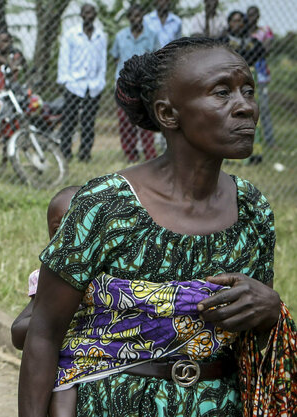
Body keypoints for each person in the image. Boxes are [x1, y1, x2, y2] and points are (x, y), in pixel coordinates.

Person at [18, 37, 294, 416]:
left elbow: (249, 331)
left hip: (218, 405)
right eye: (221, 92)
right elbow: (43, 332)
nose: (245, 106)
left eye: (247, 90)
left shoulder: (252, 209)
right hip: (113, 404)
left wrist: (271, 309)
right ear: (168, 114)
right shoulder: (106, 204)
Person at [10, 185, 80, 417]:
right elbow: (18, 333)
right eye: (58, 230)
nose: (67, 239)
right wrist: (53, 319)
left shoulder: (112, 280)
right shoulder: (48, 279)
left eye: (77, 228)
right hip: (64, 368)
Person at [111, 3, 160, 162]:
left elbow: (157, 58)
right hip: (125, 85)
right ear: (128, 18)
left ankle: (149, 153)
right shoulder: (120, 36)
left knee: (146, 120)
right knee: (126, 121)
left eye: (138, 16)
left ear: (142, 17)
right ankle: (130, 154)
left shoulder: (151, 35)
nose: (135, 19)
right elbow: (115, 57)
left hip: (144, 85)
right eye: (132, 16)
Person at [57, 4, 106, 162]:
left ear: (95, 15)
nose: (88, 15)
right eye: (85, 12)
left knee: (88, 122)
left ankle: (85, 154)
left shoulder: (100, 36)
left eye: (91, 12)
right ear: (81, 14)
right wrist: (65, 79)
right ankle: (65, 153)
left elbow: (102, 60)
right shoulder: (72, 34)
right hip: (74, 84)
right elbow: (64, 57)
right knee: (69, 121)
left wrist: (100, 81)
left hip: (93, 86)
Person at [247, 5, 274, 148]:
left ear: (258, 16)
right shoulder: (243, 33)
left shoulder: (264, 31)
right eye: (249, 15)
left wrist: (253, 50)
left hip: (261, 75)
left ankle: (269, 141)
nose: (252, 18)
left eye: (254, 15)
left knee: (263, 107)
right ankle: (250, 140)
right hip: (245, 75)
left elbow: (266, 50)